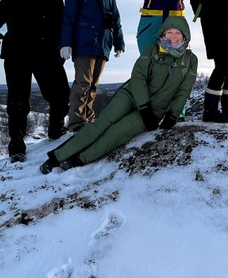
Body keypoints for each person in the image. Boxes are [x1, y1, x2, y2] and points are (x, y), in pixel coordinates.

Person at [39, 16, 198, 172]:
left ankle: (79, 159)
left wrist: (172, 115)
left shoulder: (191, 60)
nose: (173, 37)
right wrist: (143, 106)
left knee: (117, 133)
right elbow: (138, 78)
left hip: (155, 110)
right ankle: (56, 157)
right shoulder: (152, 50)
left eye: (177, 33)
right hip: (131, 96)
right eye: (169, 32)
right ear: (163, 34)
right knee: (102, 124)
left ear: (185, 35)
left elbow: (184, 90)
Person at [0, 0, 70, 162]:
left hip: (47, 55)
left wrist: (64, 48)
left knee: (61, 94)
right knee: (18, 101)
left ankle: (56, 129)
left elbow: (65, 28)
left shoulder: (56, 1)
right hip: (17, 55)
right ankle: (17, 144)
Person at [60, 0, 126, 132]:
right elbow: (68, 17)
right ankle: (76, 122)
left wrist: (119, 43)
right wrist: (66, 43)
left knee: (93, 85)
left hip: (103, 44)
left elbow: (116, 19)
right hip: (83, 43)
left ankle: (88, 119)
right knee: (83, 83)